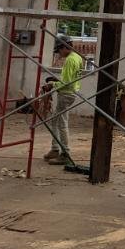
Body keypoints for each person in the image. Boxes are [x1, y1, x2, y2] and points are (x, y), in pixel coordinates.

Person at [41, 35, 83, 166]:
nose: (59, 53)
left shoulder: (70, 60)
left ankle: (65, 153)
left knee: (62, 123)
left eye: (59, 50)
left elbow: (67, 83)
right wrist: (56, 82)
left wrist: (52, 85)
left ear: (65, 47)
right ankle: (55, 149)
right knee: (56, 121)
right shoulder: (77, 57)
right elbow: (68, 80)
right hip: (69, 93)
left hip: (66, 94)